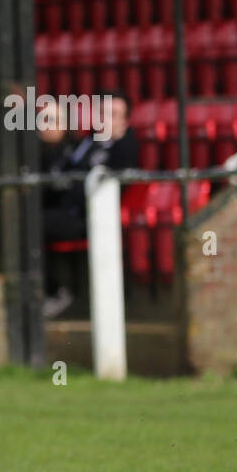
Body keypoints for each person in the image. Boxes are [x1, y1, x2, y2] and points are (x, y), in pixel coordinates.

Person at [40, 90, 138, 317]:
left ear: (125, 122)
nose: (105, 120)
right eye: (102, 113)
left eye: (113, 114)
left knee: (30, 227)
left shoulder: (124, 147)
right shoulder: (89, 141)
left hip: (90, 217)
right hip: (66, 211)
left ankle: (55, 291)